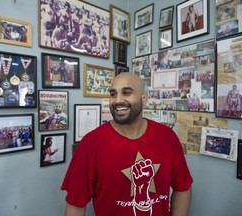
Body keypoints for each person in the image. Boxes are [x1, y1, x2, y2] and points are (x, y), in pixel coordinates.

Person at [61, 73, 193, 216]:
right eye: (113, 94)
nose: (117, 100)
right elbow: (75, 205)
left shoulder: (168, 137)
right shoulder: (90, 144)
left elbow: (183, 187)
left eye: (127, 93)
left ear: (144, 99)